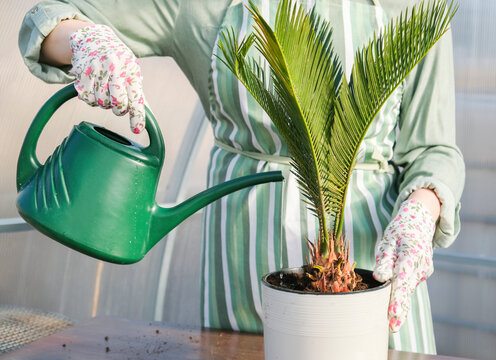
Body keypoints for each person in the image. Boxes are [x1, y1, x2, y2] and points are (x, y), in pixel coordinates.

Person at [19, 0, 465, 354]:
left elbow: (433, 148)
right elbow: (51, 18)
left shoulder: (414, 5)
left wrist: (421, 210)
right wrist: (86, 43)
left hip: (370, 271)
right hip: (244, 268)